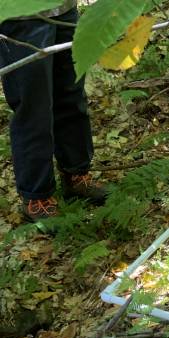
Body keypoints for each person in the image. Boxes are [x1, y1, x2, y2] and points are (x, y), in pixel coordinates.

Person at [0, 0, 106, 222]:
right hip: (21, 18)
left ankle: (76, 174)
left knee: (72, 94)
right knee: (33, 107)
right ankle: (36, 195)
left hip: (64, 9)